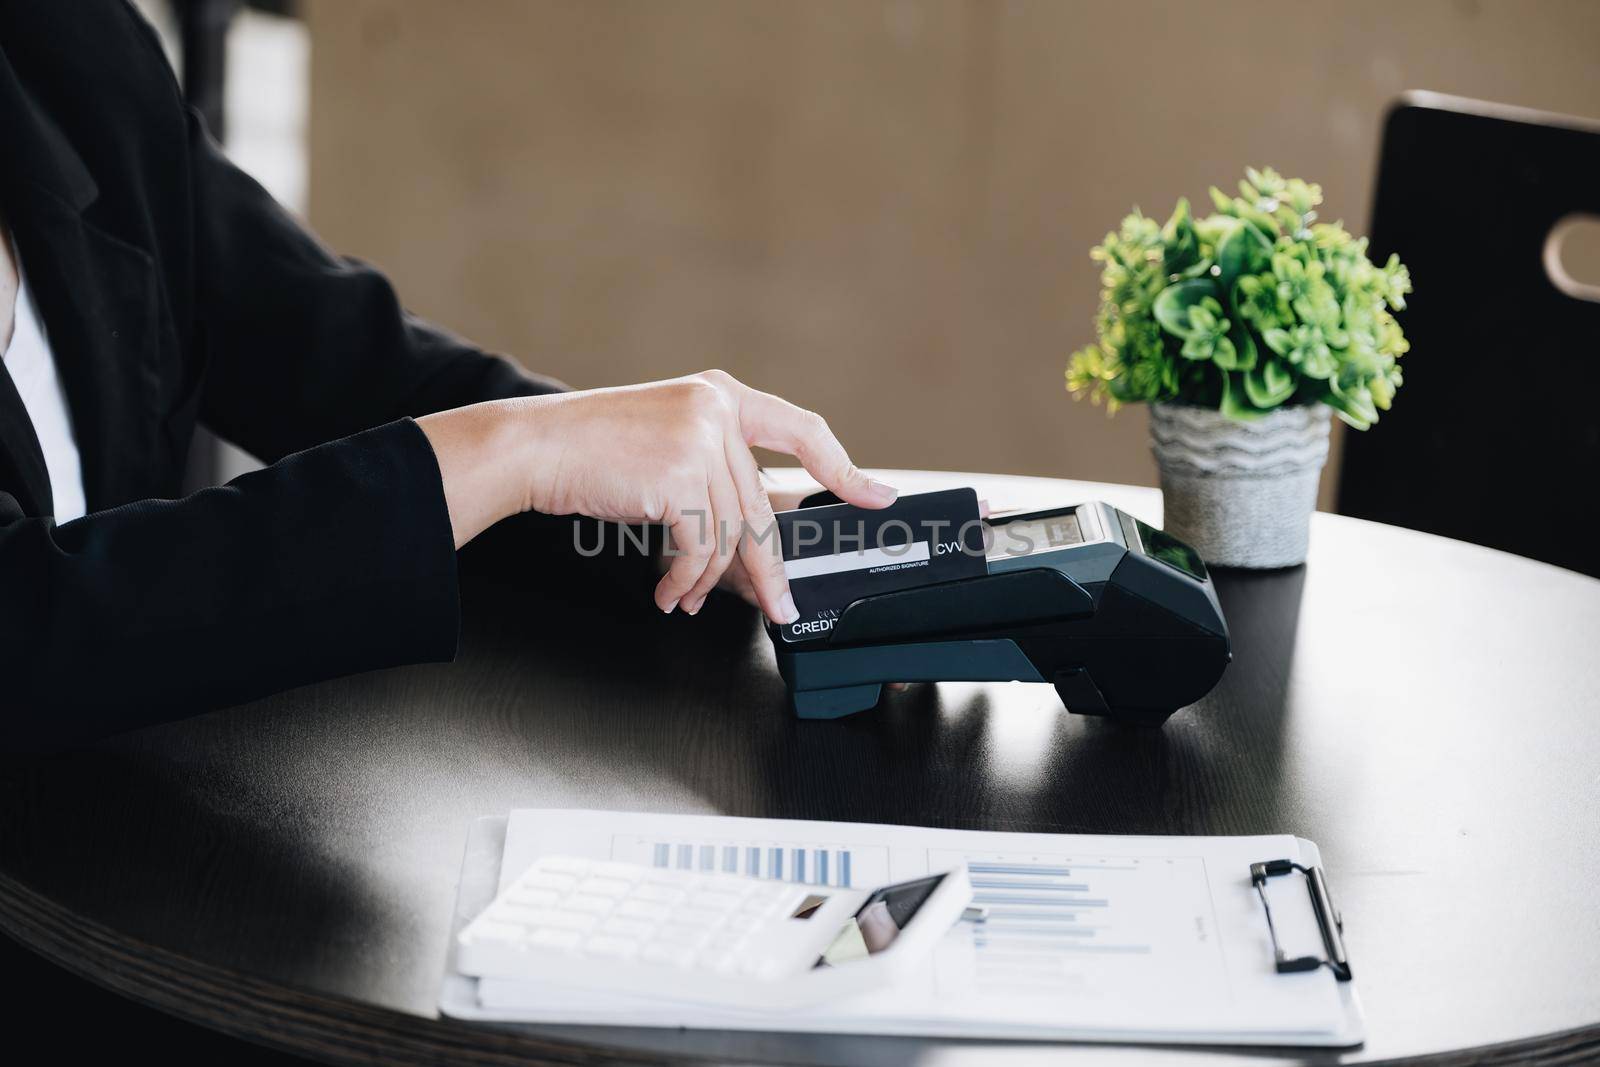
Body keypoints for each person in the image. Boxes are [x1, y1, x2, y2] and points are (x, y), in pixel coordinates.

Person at [0, 1, 895, 748]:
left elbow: (331, 353)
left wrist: (686, 505)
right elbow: (31, 628)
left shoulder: (65, 40)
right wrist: (513, 453)